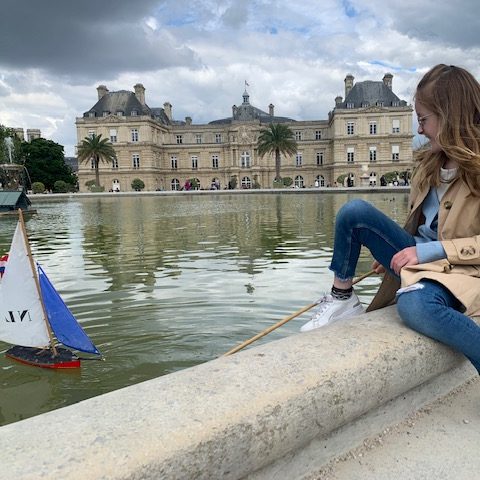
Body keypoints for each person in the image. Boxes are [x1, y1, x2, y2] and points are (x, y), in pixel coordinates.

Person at [300, 64, 480, 374]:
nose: (419, 130)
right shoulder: (427, 163)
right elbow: (420, 228)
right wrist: (390, 250)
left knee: (416, 306)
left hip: (462, 271)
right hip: (419, 261)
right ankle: (342, 298)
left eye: (424, 120)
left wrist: (424, 252)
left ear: (451, 116)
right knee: (354, 212)